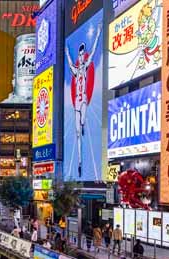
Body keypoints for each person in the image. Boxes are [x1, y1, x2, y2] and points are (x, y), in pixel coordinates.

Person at [65, 22, 102, 178]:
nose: (80, 57)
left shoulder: (85, 66)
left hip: (84, 100)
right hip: (77, 104)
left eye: (81, 54)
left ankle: (83, 124)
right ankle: (79, 162)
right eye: (79, 55)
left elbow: (93, 51)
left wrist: (98, 33)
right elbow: (68, 61)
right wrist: (67, 51)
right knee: (77, 132)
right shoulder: (75, 69)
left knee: (82, 122)